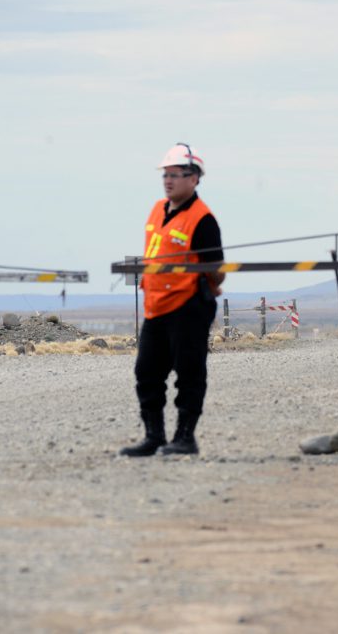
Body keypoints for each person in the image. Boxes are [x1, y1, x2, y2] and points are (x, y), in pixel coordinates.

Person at [120, 143, 224, 457]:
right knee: (147, 373)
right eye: (166, 174)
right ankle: (154, 437)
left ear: (194, 179)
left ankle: (185, 438)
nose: (169, 181)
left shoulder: (203, 219)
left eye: (176, 175)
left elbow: (217, 270)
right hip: (155, 306)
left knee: (189, 373)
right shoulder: (157, 210)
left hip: (189, 306)